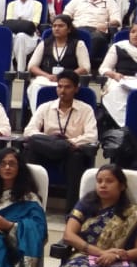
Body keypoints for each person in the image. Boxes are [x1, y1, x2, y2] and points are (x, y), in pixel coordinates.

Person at [24, 71, 98, 212]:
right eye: (59, 86)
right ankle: (29, 206)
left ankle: (72, 211)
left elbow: (91, 136)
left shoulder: (85, 109)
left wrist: (68, 142)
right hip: (46, 149)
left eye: (67, 87)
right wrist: (51, 140)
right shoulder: (45, 107)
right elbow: (29, 130)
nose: (62, 91)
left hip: (70, 152)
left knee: (76, 157)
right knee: (32, 147)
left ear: (76, 89)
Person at [25, 14, 90, 112]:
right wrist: (47, 76)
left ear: (69, 29)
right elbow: (32, 66)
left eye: (61, 26)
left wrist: (65, 76)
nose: (56, 28)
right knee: (35, 86)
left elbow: (85, 67)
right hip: (47, 79)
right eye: (54, 26)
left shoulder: (78, 44)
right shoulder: (44, 44)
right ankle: (38, 116)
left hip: (69, 80)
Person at [63, 0, 120, 69]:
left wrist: (107, 24)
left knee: (95, 38)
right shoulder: (76, 0)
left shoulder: (110, 2)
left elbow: (116, 21)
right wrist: (71, 26)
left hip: (97, 31)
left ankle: (82, 68)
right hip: (77, 29)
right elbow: (65, 17)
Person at [4, 0, 43, 71]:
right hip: (13, 34)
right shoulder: (11, 4)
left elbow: (34, 23)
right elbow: (8, 22)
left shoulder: (37, 4)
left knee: (20, 36)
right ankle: (10, 70)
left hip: (30, 35)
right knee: (8, 37)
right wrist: (24, 24)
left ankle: (20, 70)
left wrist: (18, 23)